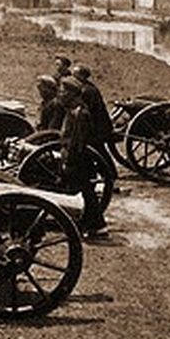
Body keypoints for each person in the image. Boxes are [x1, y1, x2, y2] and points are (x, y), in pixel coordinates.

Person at [57, 77, 108, 239]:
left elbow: (77, 142)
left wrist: (68, 161)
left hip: (80, 161)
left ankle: (99, 227)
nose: (61, 94)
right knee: (84, 193)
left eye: (64, 91)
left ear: (72, 94)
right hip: (77, 159)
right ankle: (88, 224)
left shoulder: (80, 114)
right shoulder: (73, 111)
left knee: (86, 194)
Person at [72, 65, 114, 155]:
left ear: (82, 76)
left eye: (75, 75)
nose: (73, 77)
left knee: (98, 148)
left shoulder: (88, 90)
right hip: (93, 124)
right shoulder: (84, 87)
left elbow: (89, 109)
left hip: (97, 126)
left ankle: (109, 168)